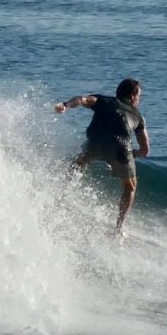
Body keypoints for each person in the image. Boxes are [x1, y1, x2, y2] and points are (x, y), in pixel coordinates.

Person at [54, 78, 150, 233]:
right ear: (132, 96)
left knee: (77, 163)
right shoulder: (138, 116)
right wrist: (131, 154)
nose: (139, 100)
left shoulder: (104, 100)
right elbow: (145, 151)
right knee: (130, 187)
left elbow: (81, 99)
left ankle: (61, 195)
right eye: (139, 96)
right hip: (121, 148)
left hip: (94, 143)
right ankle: (118, 228)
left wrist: (65, 105)